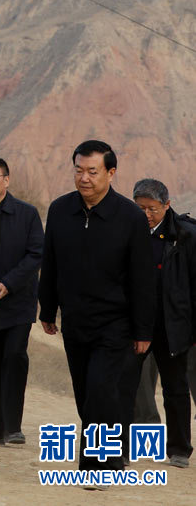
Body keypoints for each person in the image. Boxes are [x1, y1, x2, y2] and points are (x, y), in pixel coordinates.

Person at [38, 139, 155, 474]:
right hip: (75, 320)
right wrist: (48, 309)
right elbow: (51, 263)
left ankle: (96, 465)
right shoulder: (60, 210)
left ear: (111, 173)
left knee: (102, 390)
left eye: (92, 171)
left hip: (115, 323)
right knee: (85, 394)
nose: (84, 178)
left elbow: (142, 279)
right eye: (79, 170)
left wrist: (142, 329)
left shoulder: (130, 217)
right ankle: (113, 452)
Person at [123, 179, 196, 469]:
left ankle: (179, 449)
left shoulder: (187, 235)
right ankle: (120, 449)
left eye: (151, 209)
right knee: (125, 387)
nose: (146, 215)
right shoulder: (127, 232)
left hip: (173, 325)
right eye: (139, 208)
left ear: (167, 205)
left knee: (175, 387)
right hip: (136, 325)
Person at [0, 155, 44, 446]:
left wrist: (9, 282)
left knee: (14, 358)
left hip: (17, 303)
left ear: (6, 179)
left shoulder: (26, 214)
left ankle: (13, 426)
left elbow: (35, 254)